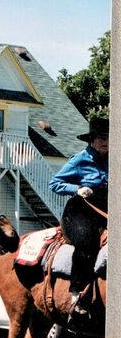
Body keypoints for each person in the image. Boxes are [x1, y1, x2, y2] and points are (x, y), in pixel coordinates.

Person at [48, 117, 109, 322]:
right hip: (79, 211)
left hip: (107, 211)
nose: (106, 141)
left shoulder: (115, 160)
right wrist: (76, 188)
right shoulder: (79, 160)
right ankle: (78, 294)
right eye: (102, 137)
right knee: (87, 241)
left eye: (110, 137)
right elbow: (54, 183)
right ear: (92, 140)